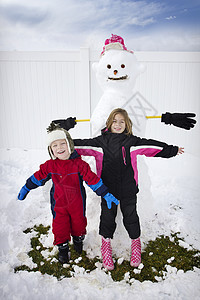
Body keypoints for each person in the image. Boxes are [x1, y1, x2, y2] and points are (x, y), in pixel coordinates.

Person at [54, 108, 184, 270]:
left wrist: (171, 150)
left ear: (127, 124)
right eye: (115, 121)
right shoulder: (100, 142)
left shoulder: (132, 142)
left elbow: (151, 146)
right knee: (107, 217)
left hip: (129, 189)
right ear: (109, 123)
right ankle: (106, 246)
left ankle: (136, 245)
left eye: (122, 121)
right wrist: (62, 133)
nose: (118, 124)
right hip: (108, 191)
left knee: (131, 217)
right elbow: (74, 145)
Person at [17, 122, 119, 264]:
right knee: (60, 227)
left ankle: (78, 242)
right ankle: (63, 250)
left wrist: (105, 193)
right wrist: (26, 187)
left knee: (79, 225)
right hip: (59, 205)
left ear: (69, 144)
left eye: (62, 143)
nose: (59, 148)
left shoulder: (79, 164)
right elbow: (38, 177)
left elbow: (92, 180)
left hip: (77, 204)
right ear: (50, 149)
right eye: (55, 145)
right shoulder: (50, 165)